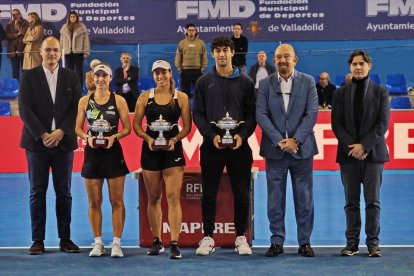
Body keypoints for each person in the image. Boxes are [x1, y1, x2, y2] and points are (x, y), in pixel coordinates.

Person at [193, 36, 256, 256]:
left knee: (242, 193)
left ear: (232, 53)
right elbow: (198, 114)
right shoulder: (203, 82)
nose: (222, 54)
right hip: (212, 146)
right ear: (212, 54)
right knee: (208, 193)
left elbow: (252, 114)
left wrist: (242, 135)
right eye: (217, 50)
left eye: (225, 50)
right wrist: (211, 136)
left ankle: (241, 237)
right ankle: (208, 236)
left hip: (239, 146)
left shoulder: (246, 82)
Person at [18, 36, 82, 255]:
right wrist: (44, 134)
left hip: (63, 144)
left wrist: (61, 131)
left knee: (64, 192)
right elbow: (25, 109)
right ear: (41, 52)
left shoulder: (72, 77)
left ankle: (65, 239)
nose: (52, 54)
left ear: (61, 52)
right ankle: (38, 240)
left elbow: (77, 109)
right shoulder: (28, 77)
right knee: (37, 192)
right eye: (48, 50)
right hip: (37, 144)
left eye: (55, 50)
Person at [256, 43, 318, 258]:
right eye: (278, 57)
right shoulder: (264, 84)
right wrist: (279, 140)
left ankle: (305, 241)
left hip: (302, 151)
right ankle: (277, 241)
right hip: (275, 151)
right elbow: (261, 114)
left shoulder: (308, 81)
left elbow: (311, 114)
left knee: (304, 198)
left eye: (286, 57)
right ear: (274, 60)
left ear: (295, 60)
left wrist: (296, 140)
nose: (282, 60)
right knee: (275, 198)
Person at [331, 50, 390, 258]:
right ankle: (352, 243)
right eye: (354, 64)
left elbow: (382, 124)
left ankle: (373, 243)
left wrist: (363, 146)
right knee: (351, 202)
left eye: (362, 64)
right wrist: (353, 147)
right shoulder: (339, 94)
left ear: (369, 66)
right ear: (350, 67)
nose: (358, 67)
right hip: (348, 156)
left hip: (373, 156)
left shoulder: (381, 92)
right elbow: (336, 125)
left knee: (373, 202)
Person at [133, 60, 191, 259]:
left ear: (170, 73)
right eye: (156, 73)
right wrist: (148, 138)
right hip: (150, 150)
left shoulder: (180, 97)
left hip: (172, 150)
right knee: (154, 197)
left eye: (163, 72)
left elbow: (187, 127)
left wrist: (175, 139)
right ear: (153, 75)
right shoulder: (144, 97)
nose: (160, 76)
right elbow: (137, 126)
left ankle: (174, 243)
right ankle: (157, 241)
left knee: (173, 197)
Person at [75, 63, 131, 258]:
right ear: (93, 78)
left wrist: (113, 137)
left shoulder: (119, 100)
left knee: (117, 201)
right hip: (92, 155)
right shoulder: (85, 100)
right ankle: (98, 242)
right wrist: (87, 138)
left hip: (113, 154)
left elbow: (127, 128)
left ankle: (117, 243)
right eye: (97, 76)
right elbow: (78, 128)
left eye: (104, 76)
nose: (100, 79)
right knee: (94, 202)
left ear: (109, 78)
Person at [175, 23, 208, 98]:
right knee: (184, 93)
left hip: (197, 70)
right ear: (186, 31)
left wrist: (203, 67)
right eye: (189, 30)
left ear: (196, 31)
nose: (191, 32)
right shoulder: (182, 43)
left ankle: (198, 108)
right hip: (185, 71)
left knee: (199, 92)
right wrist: (179, 68)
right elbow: (178, 56)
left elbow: (204, 56)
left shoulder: (201, 43)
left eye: (193, 30)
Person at [60, 10, 90, 85]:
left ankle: (79, 89)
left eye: (74, 17)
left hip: (78, 53)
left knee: (78, 73)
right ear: (69, 18)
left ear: (77, 18)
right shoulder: (64, 27)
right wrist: (61, 52)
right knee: (68, 72)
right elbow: (61, 41)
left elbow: (86, 41)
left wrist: (86, 52)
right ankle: (69, 88)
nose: (72, 18)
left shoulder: (82, 27)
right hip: (67, 53)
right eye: (71, 17)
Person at [5, 9, 28, 80]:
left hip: (23, 49)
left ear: (20, 14)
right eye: (13, 15)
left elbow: (25, 34)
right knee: (15, 70)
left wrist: (18, 26)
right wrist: (17, 34)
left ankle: (24, 86)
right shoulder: (8, 24)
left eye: (16, 14)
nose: (15, 16)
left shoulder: (25, 22)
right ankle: (16, 87)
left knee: (24, 69)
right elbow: (7, 36)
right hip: (12, 50)